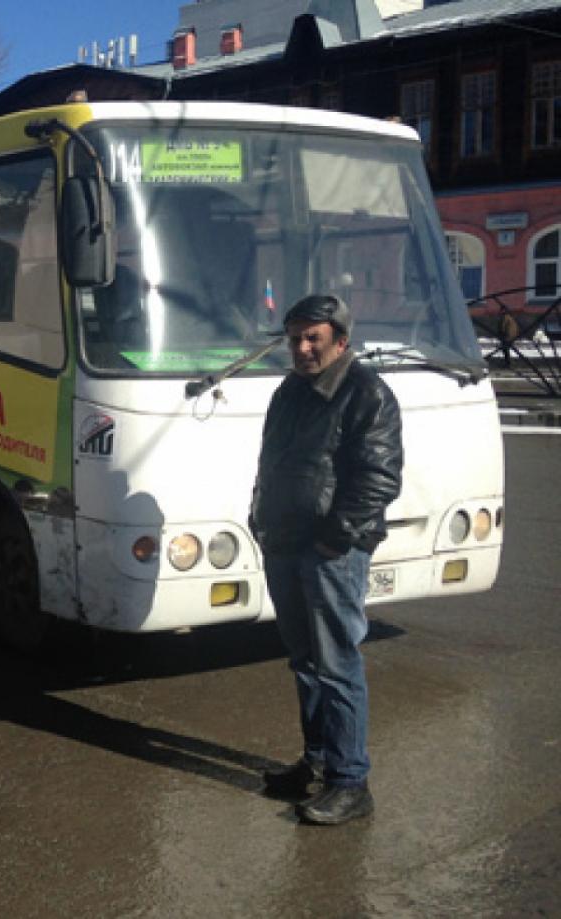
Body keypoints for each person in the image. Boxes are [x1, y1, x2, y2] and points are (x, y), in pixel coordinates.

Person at [250, 294, 403, 826]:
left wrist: (333, 541)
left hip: (330, 552)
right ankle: (316, 764)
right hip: (284, 542)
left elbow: (379, 479)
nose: (302, 348)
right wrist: (260, 517)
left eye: (313, 338)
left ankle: (350, 782)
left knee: (337, 665)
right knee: (305, 661)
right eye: (295, 338)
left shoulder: (367, 393)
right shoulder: (289, 391)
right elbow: (271, 463)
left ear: (340, 341)